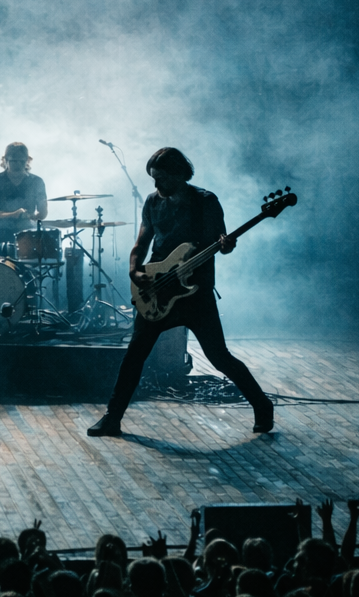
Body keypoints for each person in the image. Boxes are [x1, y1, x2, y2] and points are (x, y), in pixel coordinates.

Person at [87, 148, 274, 437]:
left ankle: (262, 406)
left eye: (161, 178)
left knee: (218, 356)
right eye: (153, 178)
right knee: (135, 354)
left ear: (179, 175)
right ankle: (113, 418)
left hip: (195, 293)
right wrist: (135, 271)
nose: (156, 185)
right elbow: (141, 243)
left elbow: (222, 242)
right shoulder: (152, 202)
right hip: (158, 288)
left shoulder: (205, 202)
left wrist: (227, 245)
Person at [0, 141, 49, 257]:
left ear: (27, 160)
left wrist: (32, 217)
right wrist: (12, 214)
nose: (18, 164)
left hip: (26, 234)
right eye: (14, 161)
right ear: (5, 160)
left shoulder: (36, 182)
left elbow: (43, 213)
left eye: (22, 161)